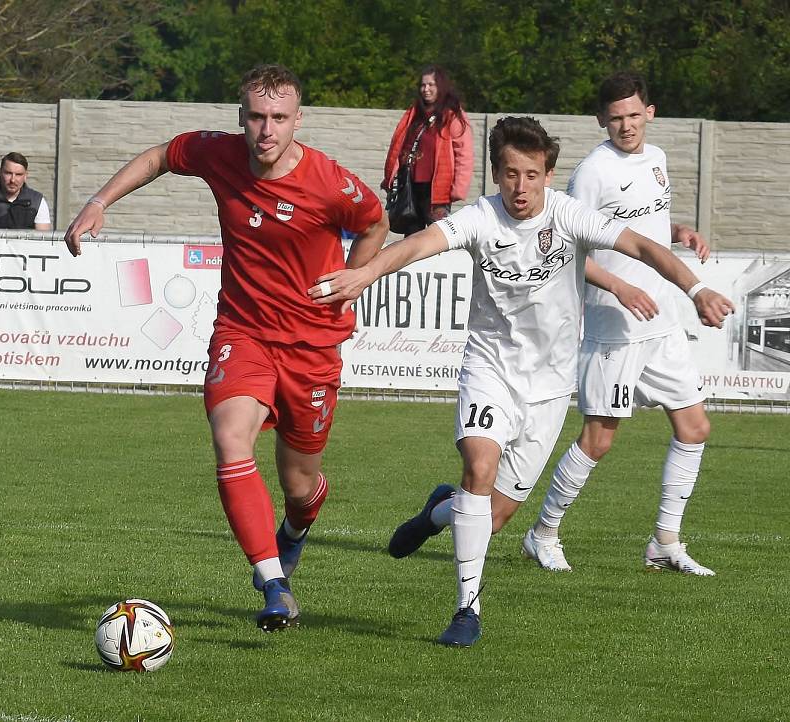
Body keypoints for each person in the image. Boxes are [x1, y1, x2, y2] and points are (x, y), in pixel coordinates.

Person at [308, 116, 733, 647]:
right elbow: (419, 245)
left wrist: (696, 291)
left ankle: (439, 511)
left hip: (550, 387)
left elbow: (644, 248)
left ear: (548, 175)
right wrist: (365, 274)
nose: (520, 187)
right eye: (510, 174)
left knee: (493, 514)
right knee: (480, 465)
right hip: (490, 370)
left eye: (532, 175)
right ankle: (467, 609)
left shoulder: (569, 216)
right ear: (496, 174)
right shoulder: (480, 218)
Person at [64, 64, 388, 632]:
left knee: (299, 485)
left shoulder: (330, 183)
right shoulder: (219, 155)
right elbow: (162, 155)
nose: (267, 130)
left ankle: (293, 530)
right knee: (229, 438)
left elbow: (375, 221)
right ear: (242, 119)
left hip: (312, 346)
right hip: (243, 332)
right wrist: (99, 200)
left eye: (279, 119)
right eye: (257, 117)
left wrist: (354, 279)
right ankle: (273, 583)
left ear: (297, 121)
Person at [522, 71, 720, 576]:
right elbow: (565, 249)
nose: (627, 126)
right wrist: (619, 286)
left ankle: (664, 542)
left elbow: (641, 228)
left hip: (662, 323)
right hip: (614, 324)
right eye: (616, 118)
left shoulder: (656, 160)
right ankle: (542, 532)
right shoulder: (592, 172)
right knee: (599, 439)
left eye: (634, 115)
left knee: (695, 427)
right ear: (601, 121)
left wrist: (679, 232)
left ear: (650, 113)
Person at [383, 65, 473, 234]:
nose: (426, 89)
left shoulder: (452, 115)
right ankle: (411, 262)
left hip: (437, 189)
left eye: (431, 85)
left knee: (437, 235)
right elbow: (398, 146)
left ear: (441, 86)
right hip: (409, 185)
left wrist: (458, 187)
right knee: (411, 237)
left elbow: (464, 154)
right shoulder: (413, 114)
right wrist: (390, 177)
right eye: (423, 85)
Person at [0, 152, 52, 230]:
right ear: (0, 172)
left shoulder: (37, 201)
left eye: (18, 174)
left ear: (25, 176)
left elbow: (43, 239)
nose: (12, 180)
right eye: (8, 173)